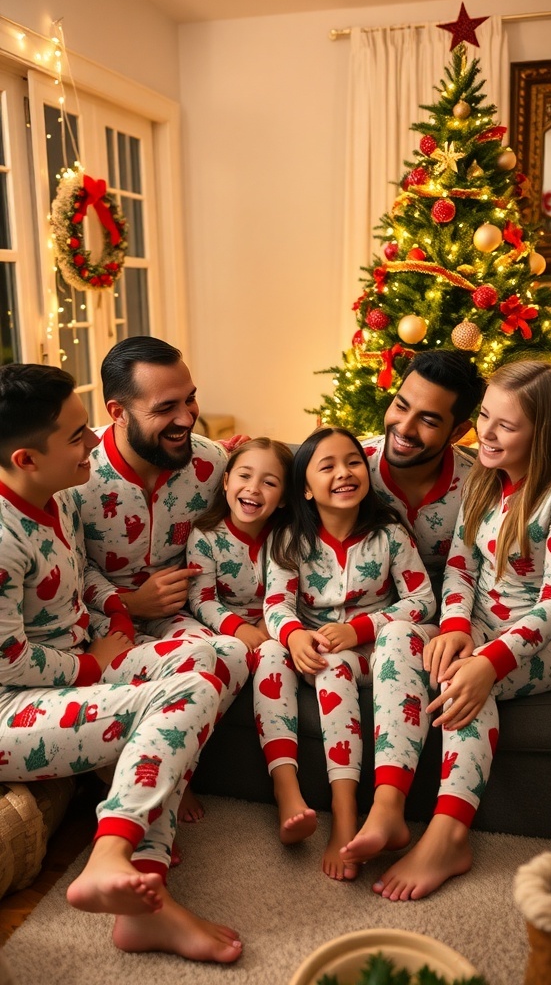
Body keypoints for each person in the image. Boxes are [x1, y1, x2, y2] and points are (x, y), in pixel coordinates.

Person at [0, 363, 242, 963]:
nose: (93, 446)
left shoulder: (54, 498)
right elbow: (5, 659)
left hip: (84, 662)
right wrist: (90, 666)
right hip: (16, 703)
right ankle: (117, 858)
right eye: (77, 436)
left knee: (216, 658)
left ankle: (138, 883)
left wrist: (121, 621)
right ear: (27, 458)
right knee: (183, 696)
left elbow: (82, 581)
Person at [342, 360, 551, 900]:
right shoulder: (485, 482)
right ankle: (389, 806)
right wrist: (453, 626)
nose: (484, 433)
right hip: (482, 622)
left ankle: (450, 835)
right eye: (484, 418)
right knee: (400, 637)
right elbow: (462, 565)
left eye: (505, 426)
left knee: (465, 682)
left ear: (545, 433)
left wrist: (488, 661)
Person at [72, 336, 250, 820]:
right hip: (102, 625)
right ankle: (146, 788)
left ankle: (165, 774)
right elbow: (65, 563)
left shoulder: (212, 463)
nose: (187, 417)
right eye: (166, 407)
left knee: (232, 653)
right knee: (196, 658)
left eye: (190, 398)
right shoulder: (77, 472)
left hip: (181, 617)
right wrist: (127, 601)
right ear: (119, 412)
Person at [261, 426, 435, 880]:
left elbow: (421, 601)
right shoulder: (288, 538)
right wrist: (295, 635)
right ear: (305, 486)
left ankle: (355, 816)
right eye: (328, 466)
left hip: (379, 650)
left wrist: (359, 628)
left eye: (353, 462)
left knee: (341, 658)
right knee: (274, 656)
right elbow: (276, 604)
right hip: (318, 655)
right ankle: (339, 812)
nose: (344, 473)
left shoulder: (390, 533)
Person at [364, 350, 486, 600]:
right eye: (400, 406)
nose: (405, 428)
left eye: (428, 421)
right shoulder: (353, 470)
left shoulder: (479, 487)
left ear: (457, 432)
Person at [187, 437, 294, 650]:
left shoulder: (286, 536)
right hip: (225, 630)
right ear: (226, 481)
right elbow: (202, 600)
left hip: (277, 627)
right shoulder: (204, 537)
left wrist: (267, 627)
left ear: (283, 498)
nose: (253, 488)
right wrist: (240, 629)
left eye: (269, 483)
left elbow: (284, 595)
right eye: (244, 476)